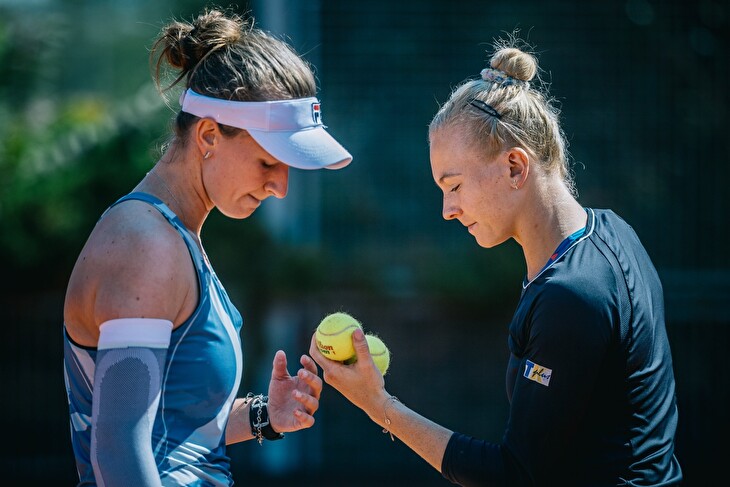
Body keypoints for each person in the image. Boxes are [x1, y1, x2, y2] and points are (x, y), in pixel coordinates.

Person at [309, 39, 683, 486]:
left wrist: (379, 406)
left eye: (454, 186)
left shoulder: (570, 296)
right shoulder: (613, 231)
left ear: (514, 167)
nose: (447, 210)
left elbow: (513, 475)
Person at [62, 8, 352, 486]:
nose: (281, 187)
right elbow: (117, 452)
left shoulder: (170, 234)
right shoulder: (146, 246)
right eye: (268, 162)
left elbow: (169, 428)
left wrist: (264, 416)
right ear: (209, 135)